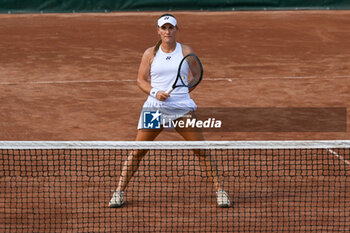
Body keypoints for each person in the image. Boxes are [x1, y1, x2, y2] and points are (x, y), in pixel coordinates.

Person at [109, 14, 231, 208]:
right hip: (155, 108)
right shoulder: (150, 53)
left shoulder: (186, 51)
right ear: (158, 30)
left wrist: (184, 91)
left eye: (171, 28)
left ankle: (220, 191)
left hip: (182, 108)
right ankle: (119, 191)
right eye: (164, 28)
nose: (167, 31)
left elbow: (197, 74)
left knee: (201, 150)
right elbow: (140, 80)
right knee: (138, 151)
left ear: (176, 29)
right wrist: (155, 93)